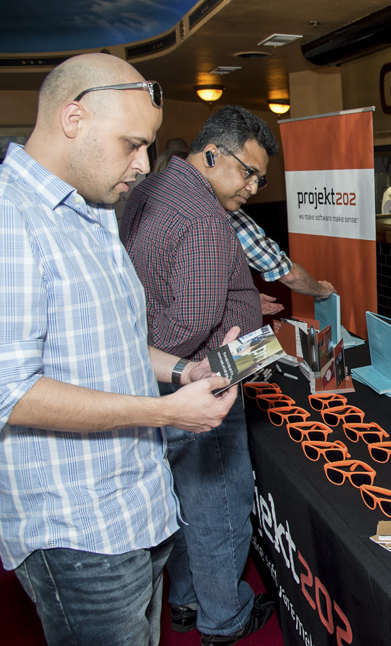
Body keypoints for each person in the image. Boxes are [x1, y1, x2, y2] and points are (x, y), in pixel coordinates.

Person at [0, 52, 238, 646]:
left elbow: (115, 345)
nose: (144, 164)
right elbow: (4, 393)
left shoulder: (94, 213)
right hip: (77, 533)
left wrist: (185, 371)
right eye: (132, 144)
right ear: (73, 119)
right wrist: (166, 412)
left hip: (136, 508)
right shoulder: (1, 214)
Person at [120, 105, 277, 646]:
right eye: (248, 173)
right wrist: (185, 372)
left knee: (186, 500)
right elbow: (189, 324)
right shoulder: (207, 219)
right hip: (204, 383)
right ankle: (224, 619)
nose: (253, 187)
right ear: (212, 155)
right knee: (221, 505)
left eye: (260, 179)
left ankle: (187, 600)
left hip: (160, 378)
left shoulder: (152, 187)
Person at [150, 148, 336, 315]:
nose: (252, 189)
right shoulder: (222, 212)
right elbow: (288, 274)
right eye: (248, 174)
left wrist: (240, 300)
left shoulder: (151, 209)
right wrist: (323, 291)